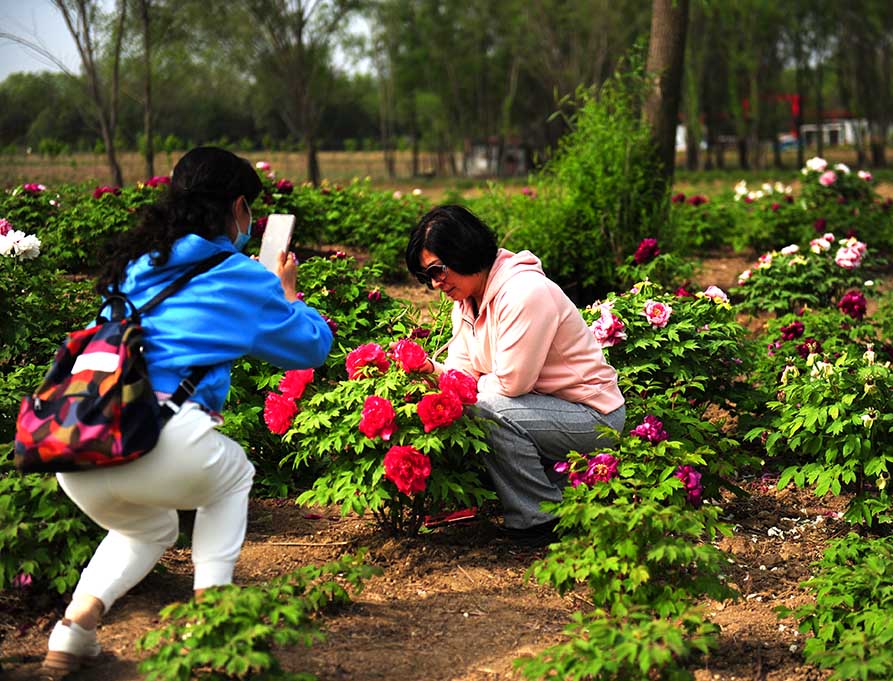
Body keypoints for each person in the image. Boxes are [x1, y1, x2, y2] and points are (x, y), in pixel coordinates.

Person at [42, 147, 333, 674]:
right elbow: (310, 347)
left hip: (81, 446)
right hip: (162, 435)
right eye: (250, 213)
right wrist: (288, 296)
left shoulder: (137, 264)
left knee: (148, 530)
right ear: (239, 207)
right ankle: (211, 622)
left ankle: (73, 629)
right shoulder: (240, 274)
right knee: (235, 476)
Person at [405, 205, 625, 546]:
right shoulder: (466, 302)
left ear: (463, 251)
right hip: (540, 411)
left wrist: (470, 385)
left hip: (591, 417)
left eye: (437, 270)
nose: (435, 284)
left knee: (485, 407)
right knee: (471, 402)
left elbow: (511, 385)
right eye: (427, 276)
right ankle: (557, 494)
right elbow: (463, 373)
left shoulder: (524, 292)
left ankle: (541, 517)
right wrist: (430, 372)